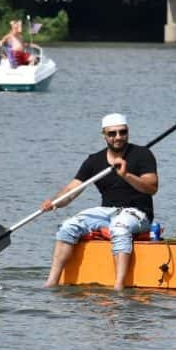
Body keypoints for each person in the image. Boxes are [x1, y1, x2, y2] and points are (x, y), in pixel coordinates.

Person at [42, 114, 158, 291]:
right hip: (107, 212)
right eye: (112, 134)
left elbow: (152, 187)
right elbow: (72, 190)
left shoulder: (142, 155)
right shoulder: (94, 161)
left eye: (122, 132)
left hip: (138, 213)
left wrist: (126, 175)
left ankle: (119, 286)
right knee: (68, 226)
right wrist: (54, 202)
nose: (118, 137)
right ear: (104, 135)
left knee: (119, 227)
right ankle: (51, 282)